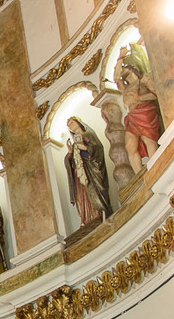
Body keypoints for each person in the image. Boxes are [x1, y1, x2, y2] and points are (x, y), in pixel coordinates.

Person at [118, 44, 163, 172]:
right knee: (130, 146)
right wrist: (120, 57)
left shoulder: (144, 79)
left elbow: (157, 93)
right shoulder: (125, 88)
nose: (121, 71)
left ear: (131, 67)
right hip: (132, 117)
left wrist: (140, 99)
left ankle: (155, 167)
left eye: (123, 68)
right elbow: (116, 77)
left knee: (148, 138)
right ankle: (139, 175)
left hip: (145, 111)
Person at [64, 116, 112, 227]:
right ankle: (87, 219)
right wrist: (70, 153)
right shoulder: (74, 142)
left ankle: (98, 213)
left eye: (72, 122)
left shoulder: (89, 135)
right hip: (79, 174)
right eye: (68, 124)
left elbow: (98, 149)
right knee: (82, 196)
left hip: (91, 171)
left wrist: (85, 148)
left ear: (79, 123)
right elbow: (71, 163)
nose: (70, 125)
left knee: (93, 189)